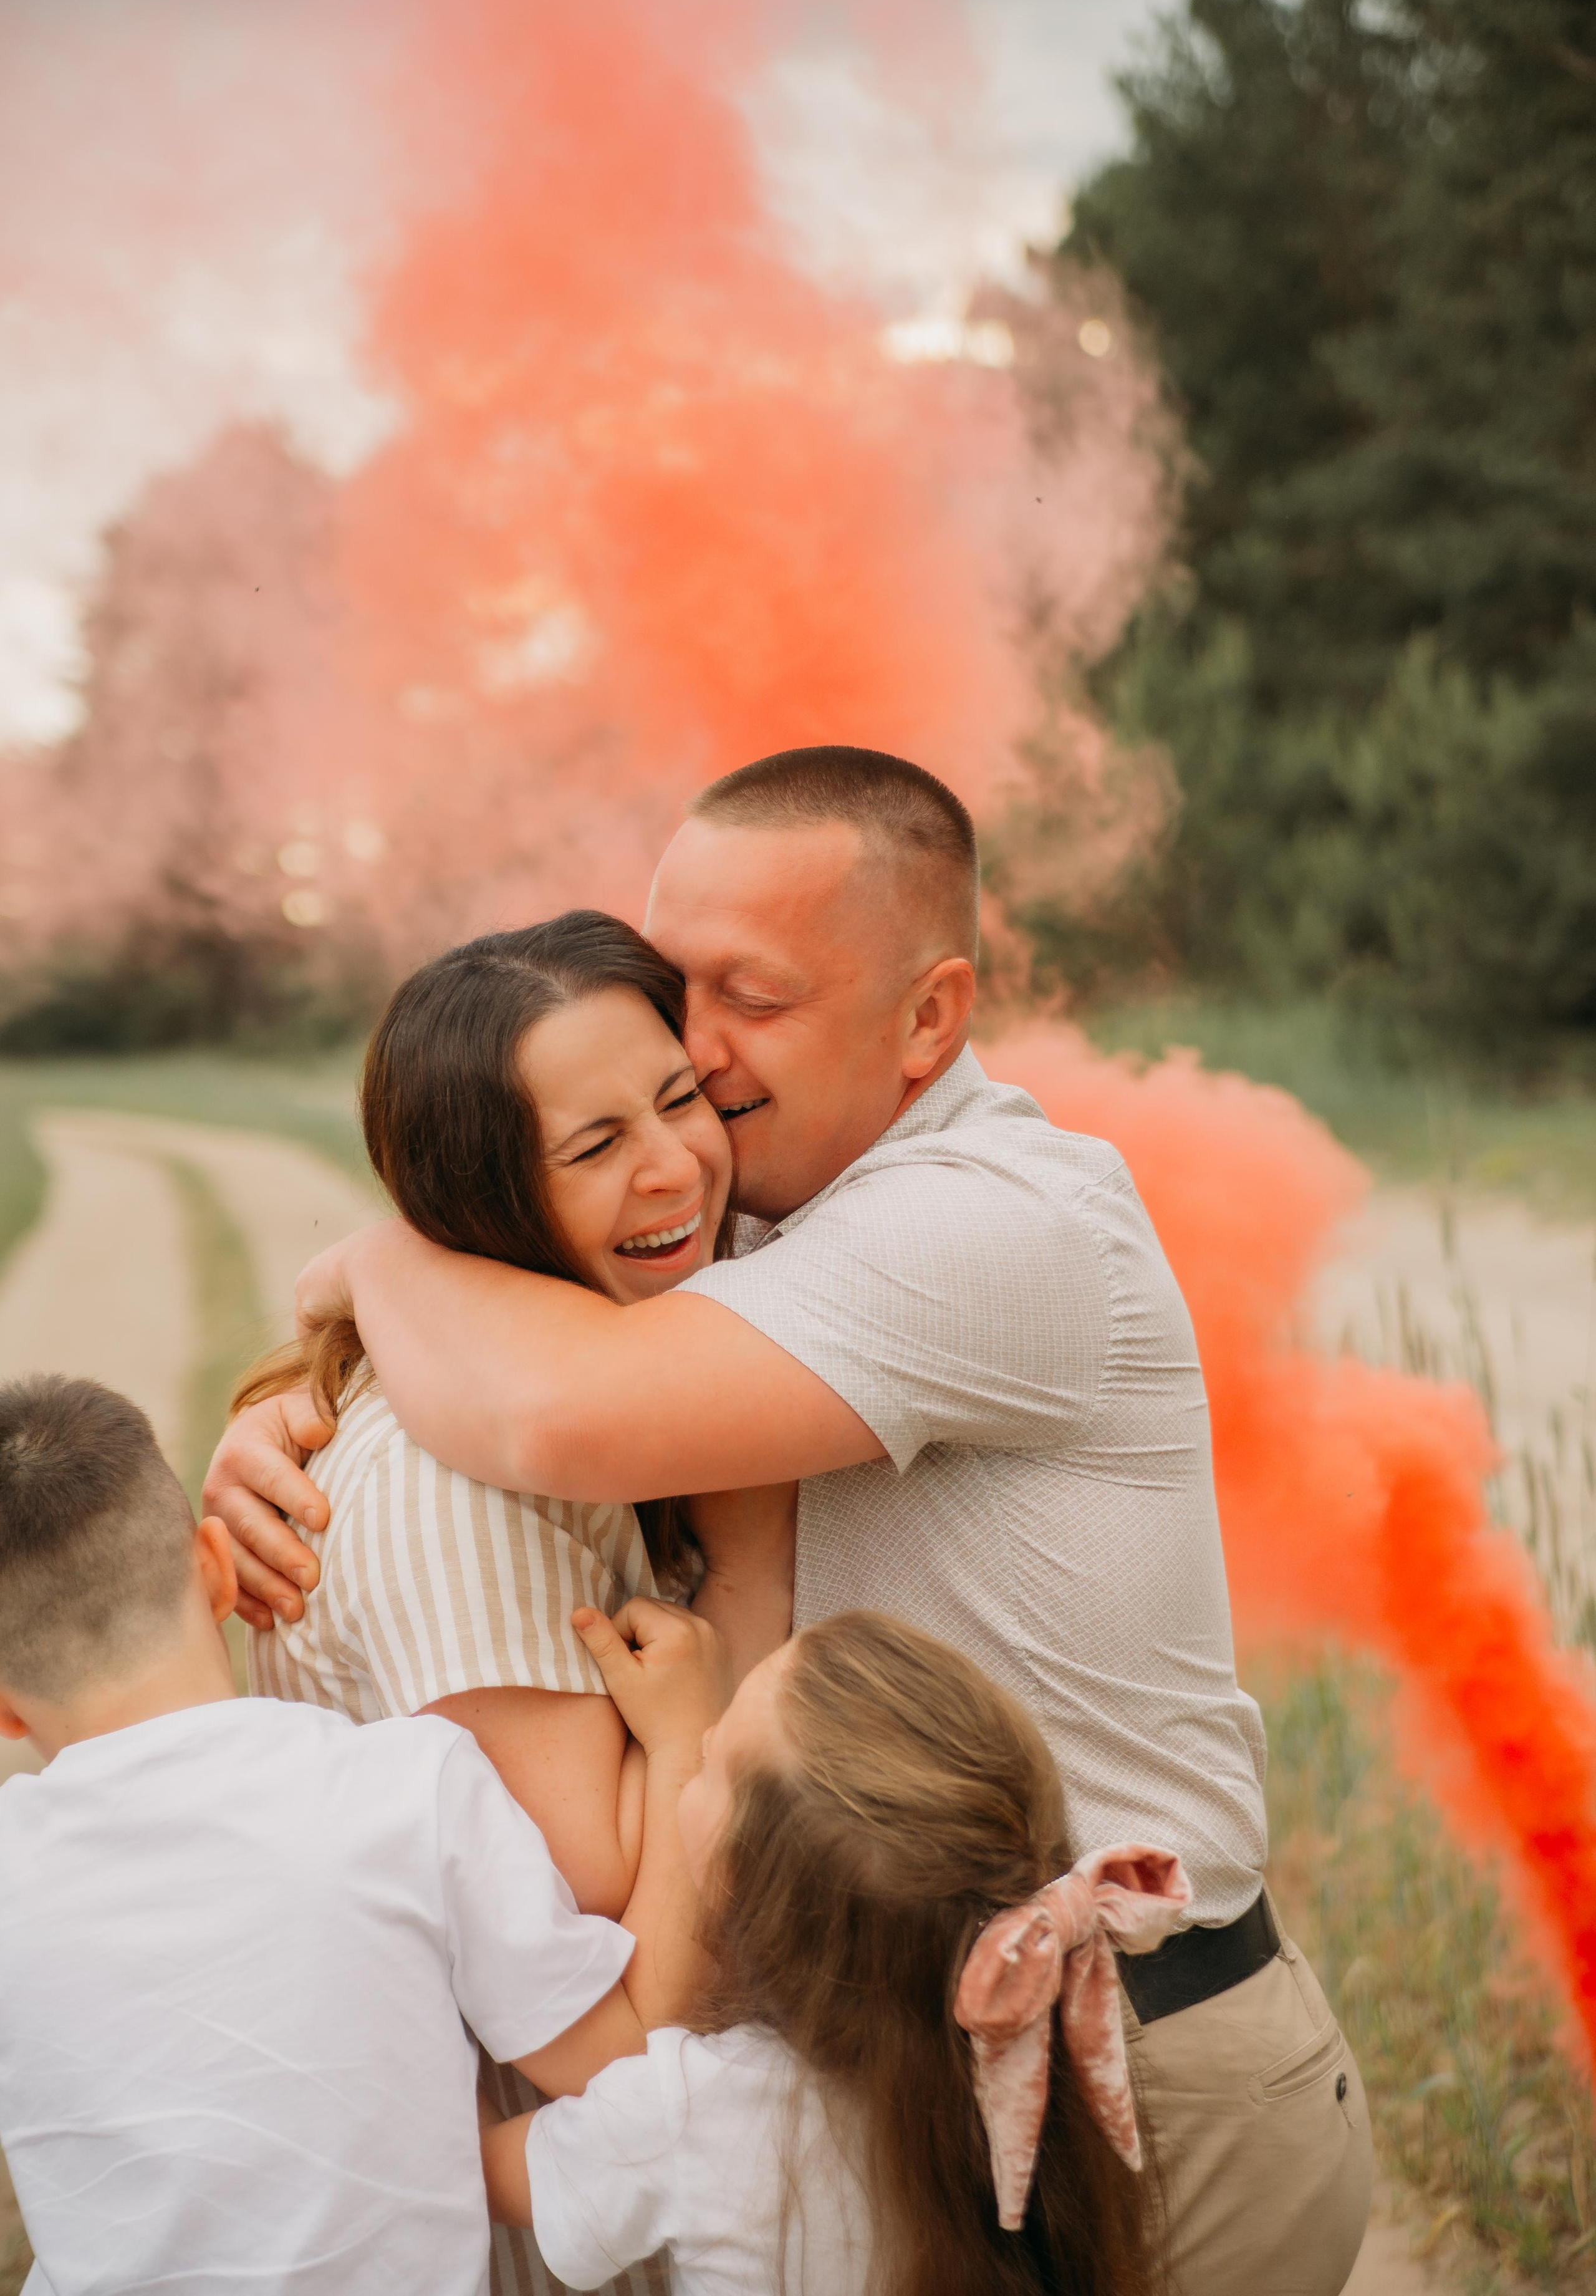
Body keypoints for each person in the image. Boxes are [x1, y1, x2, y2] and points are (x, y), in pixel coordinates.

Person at [209, 744, 1374, 2294]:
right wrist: (282, 1411)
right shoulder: (762, 1188)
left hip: (1140, 2077)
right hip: (887, 2084)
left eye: (746, 996)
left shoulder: (988, 1221)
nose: (690, 1045)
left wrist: (388, 1257)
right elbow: (550, 1270)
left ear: (927, 1017)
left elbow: (554, 1404)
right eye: (671, 977)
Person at [238, 910, 778, 2296]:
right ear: (484, 1206)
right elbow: (598, 1915)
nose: (677, 1168)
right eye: (595, 1147)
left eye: (679, 1100)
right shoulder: (462, 1486)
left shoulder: (581, 1390)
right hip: (521, 2206)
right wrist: (687, 1734)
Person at [0, 1374, 719, 2296]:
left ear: (8, 1712)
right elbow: (626, 2066)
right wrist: (689, 1738)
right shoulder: (412, 1785)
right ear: (219, 1568)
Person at [486, 1606, 1181, 2296]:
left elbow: (469, 2170)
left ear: (749, 1888)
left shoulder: (694, 2110)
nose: (698, 1737)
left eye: (709, 1759)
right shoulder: (1050, 2053)